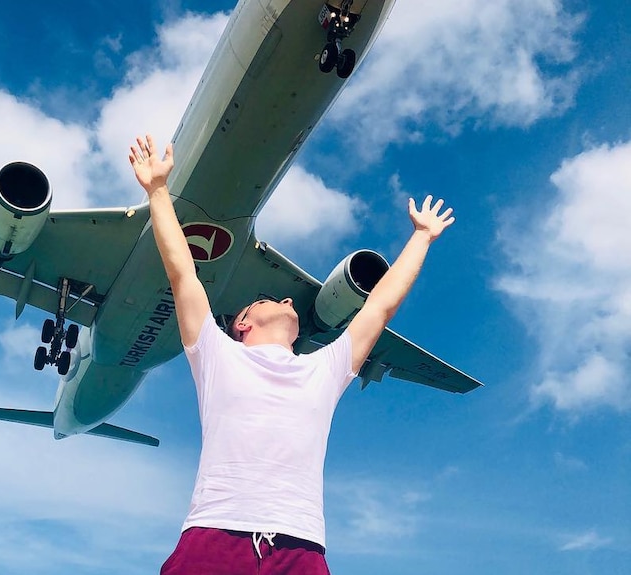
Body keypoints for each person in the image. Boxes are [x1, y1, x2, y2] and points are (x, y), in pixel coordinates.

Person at [129, 134, 455, 574]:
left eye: (287, 302)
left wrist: (421, 238)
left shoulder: (324, 367)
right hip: (216, 533)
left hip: (299, 546)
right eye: (267, 300)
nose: (287, 301)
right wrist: (158, 191)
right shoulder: (216, 354)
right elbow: (182, 271)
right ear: (241, 323)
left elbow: (379, 306)